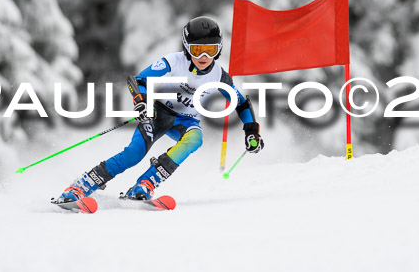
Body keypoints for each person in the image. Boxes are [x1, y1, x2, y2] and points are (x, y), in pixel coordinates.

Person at [53, 16, 264, 203]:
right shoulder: (173, 62)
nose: (204, 57)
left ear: (219, 50)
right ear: (186, 47)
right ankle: (82, 185)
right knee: (134, 154)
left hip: (186, 122)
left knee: (195, 139)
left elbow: (241, 104)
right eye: (197, 50)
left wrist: (251, 131)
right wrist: (141, 101)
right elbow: (138, 81)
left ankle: (146, 183)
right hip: (157, 114)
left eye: (211, 50)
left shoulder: (219, 76)